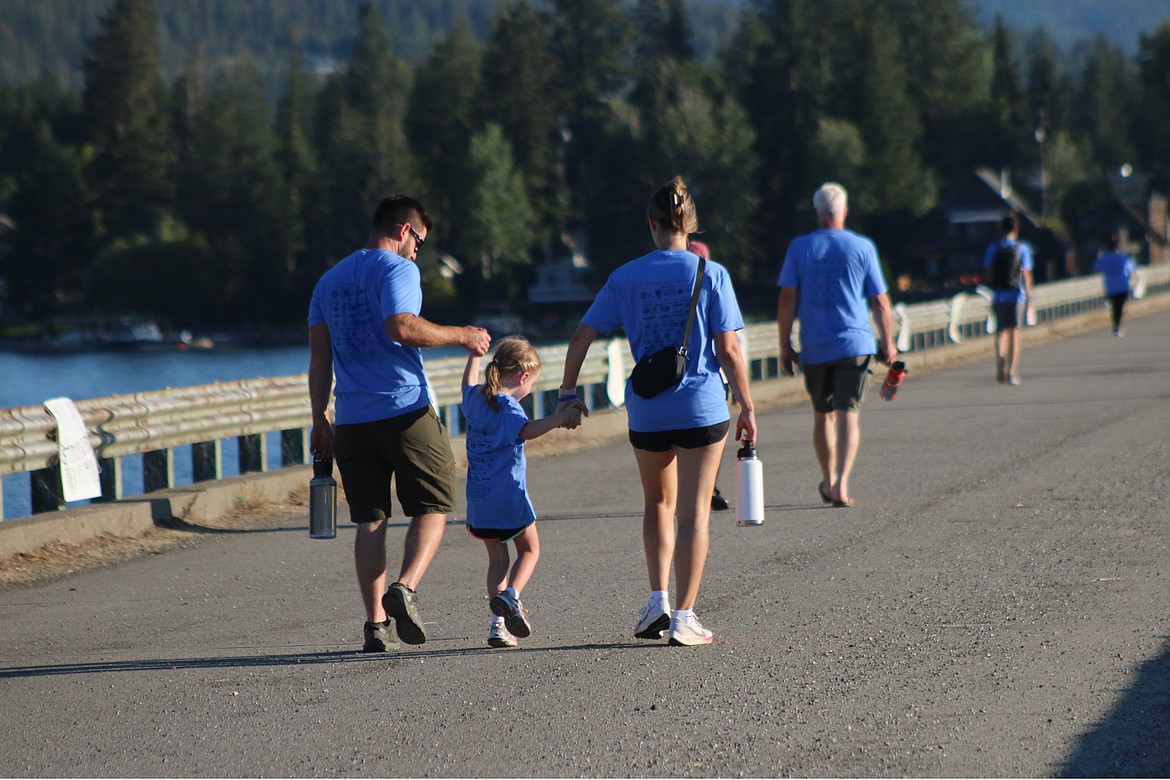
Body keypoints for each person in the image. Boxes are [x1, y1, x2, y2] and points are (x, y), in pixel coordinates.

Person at [558, 176, 757, 647]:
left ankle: (657, 602)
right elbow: (729, 350)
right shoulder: (713, 274)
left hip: (646, 410)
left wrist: (568, 392)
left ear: (651, 224)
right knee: (693, 513)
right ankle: (685, 616)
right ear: (690, 224)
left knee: (657, 504)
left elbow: (581, 336)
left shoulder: (625, 277)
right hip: (701, 408)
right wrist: (748, 405)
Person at [308, 194, 492, 653]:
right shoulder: (398, 270)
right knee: (434, 505)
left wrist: (318, 418)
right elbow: (403, 327)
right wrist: (463, 335)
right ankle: (404, 588)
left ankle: (375, 626)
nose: (418, 254)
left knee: (371, 521)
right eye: (421, 243)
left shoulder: (328, 282)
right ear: (406, 230)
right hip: (405, 410)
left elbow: (319, 358)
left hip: (351, 419)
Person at [776, 182, 896, 509]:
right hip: (855, 343)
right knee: (849, 413)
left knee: (822, 414)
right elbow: (881, 302)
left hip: (815, 346)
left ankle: (828, 480)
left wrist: (784, 345)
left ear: (817, 213)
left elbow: (787, 299)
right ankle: (842, 483)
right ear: (844, 211)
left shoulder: (800, 248)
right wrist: (888, 343)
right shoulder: (863, 247)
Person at [461, 336, 582, 648]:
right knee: (529, 551)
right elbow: (526, 431)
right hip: (508, 497)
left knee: (497, 561)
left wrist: (474, 355)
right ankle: (512, 596)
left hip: (479, 500)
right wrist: (558, 419)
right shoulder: (508, 408)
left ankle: (498, 626)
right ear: (524, 377)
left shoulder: (474, 398)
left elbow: (466, 384)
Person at [688, 239, 730, 513]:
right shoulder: (714, 282)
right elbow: (728, 346)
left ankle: (692, 489)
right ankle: (708, 486)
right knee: (709, 445)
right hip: (711, 381)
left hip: (664, 384)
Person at [983, 213, 1034, 385]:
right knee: (1014, 333)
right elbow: (1026, 274)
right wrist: (1030, 298)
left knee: (1000, 332)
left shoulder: (993, 247)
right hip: (1016, 295)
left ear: (1001, 228)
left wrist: (994, 285)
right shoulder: (1022, 247)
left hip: (998, 294)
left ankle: (999, 366)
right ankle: (1011, 373)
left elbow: (988, 272)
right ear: (1016, 229)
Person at [1093, 232, 1136, 337]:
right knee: (1120, 307)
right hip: (1123, 285)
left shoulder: (1104, 258)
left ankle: (1115, 326)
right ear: (1118, 246)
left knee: (1114, 307)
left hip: (1111, 286)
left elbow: (1096, 268)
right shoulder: (1124, 258)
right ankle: (1117, 326)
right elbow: (1131, 269)